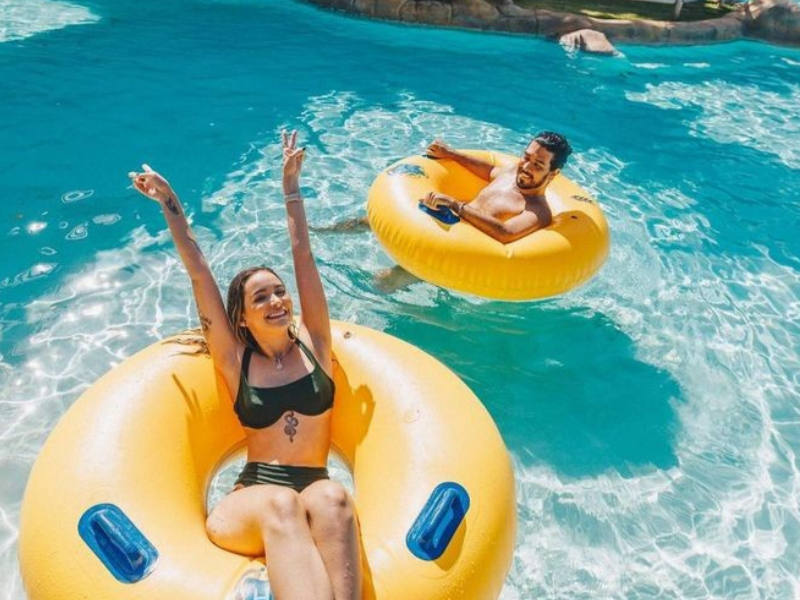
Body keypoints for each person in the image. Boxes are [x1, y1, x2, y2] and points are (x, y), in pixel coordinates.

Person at [128, 131, 361, 600]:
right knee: (282, 504)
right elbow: (198, 270)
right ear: (241, 317)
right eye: (261, 297)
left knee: (336, 498)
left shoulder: (315, 342)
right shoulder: (236, 361)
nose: (276, 301)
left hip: (313, 489)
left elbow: (303, 254)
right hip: (252, 502)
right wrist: (170, 203)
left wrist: (291, 188)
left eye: (279, 292)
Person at [421, 132, 572, 244]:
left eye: (537, 165)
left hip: (462, 252)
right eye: (526, 157)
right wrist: (450, 153)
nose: (526, 167)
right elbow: (489, 171)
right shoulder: (512, 172)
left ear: (553, 173)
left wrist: (454, 204)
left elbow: (506, 233)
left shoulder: (538, 211)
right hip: (441, 231)